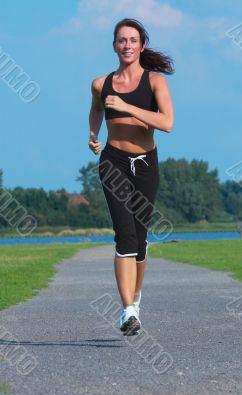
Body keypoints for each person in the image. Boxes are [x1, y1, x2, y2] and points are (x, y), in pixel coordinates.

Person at [88, 18, 174, 335]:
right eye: (121, 40)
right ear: (114, 45)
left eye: (132, 40)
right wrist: (93, 133)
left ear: (141, 45)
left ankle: (135, 299)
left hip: (146, 164)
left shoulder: (155, 83)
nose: (127, 45)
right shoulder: (101, 83)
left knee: (140, 240)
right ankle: (127, 311)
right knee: (124, 236)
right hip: (113, 162)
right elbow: (96, 108)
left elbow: (167, 123)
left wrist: (127, 107)